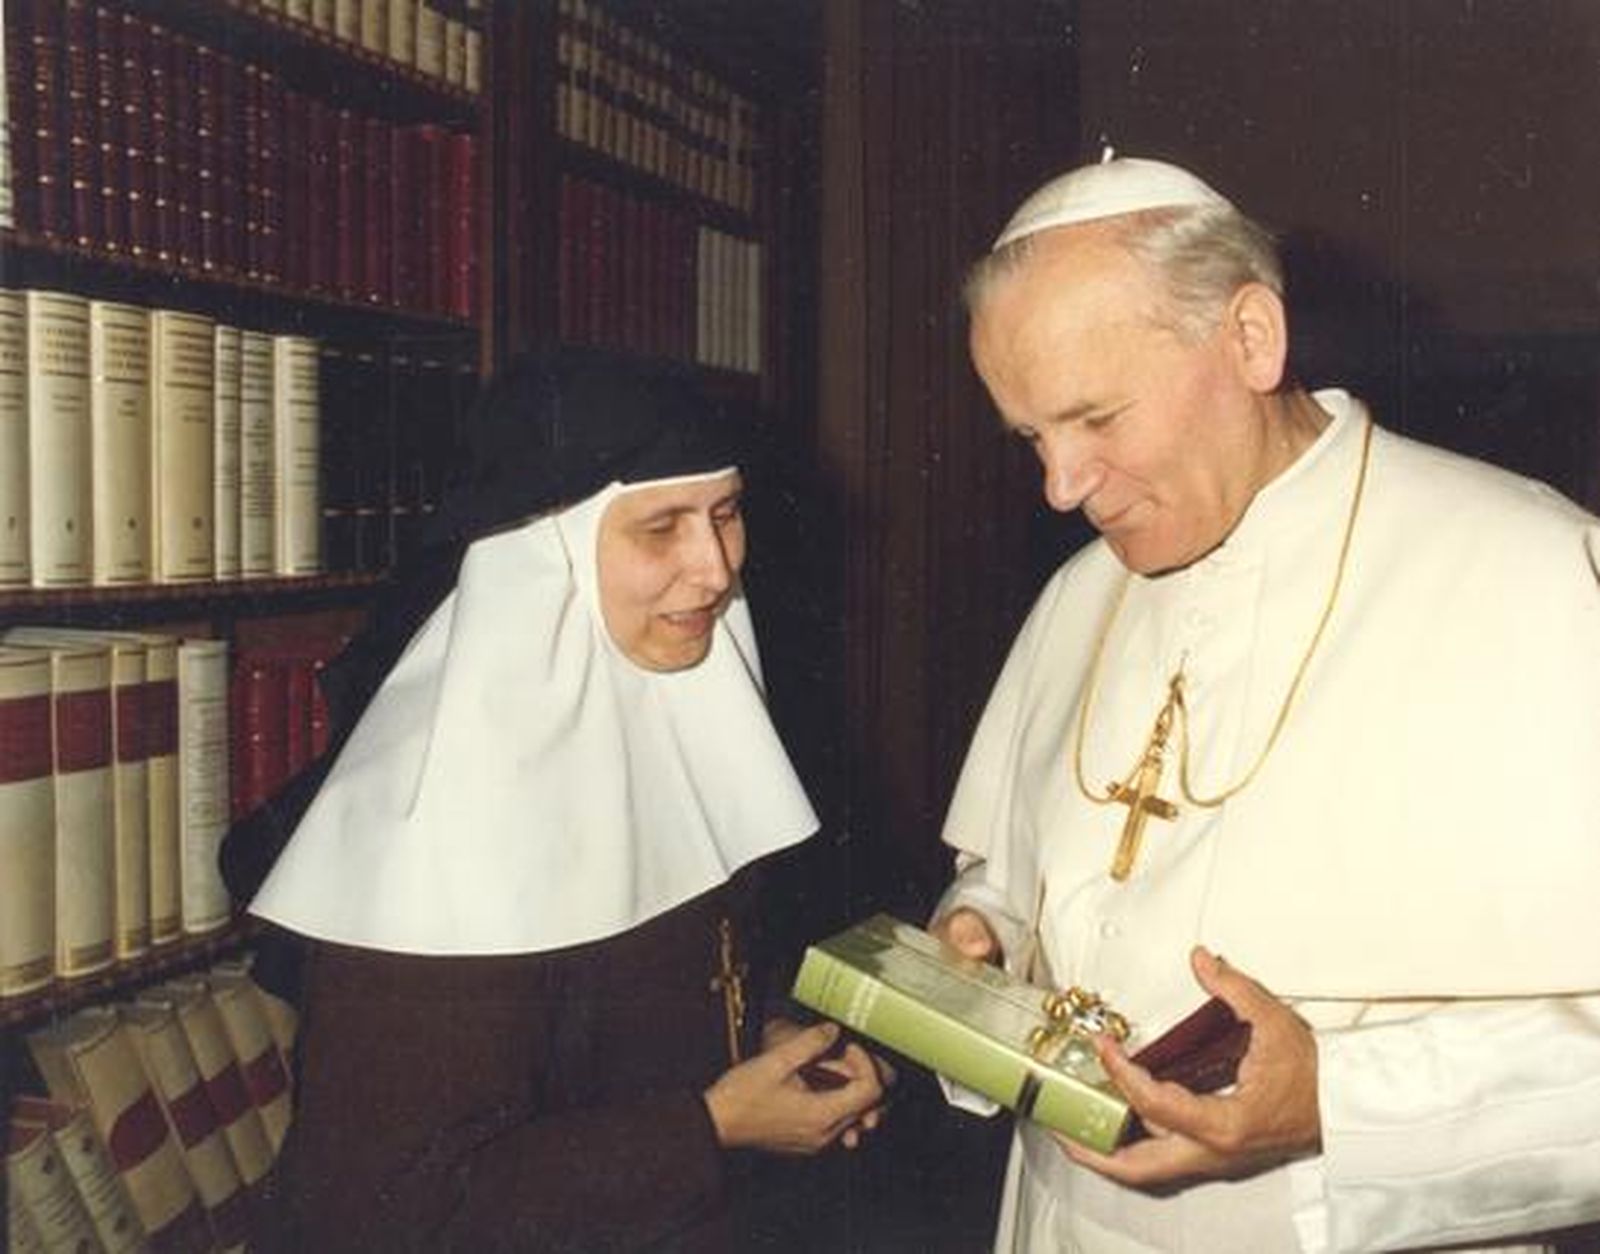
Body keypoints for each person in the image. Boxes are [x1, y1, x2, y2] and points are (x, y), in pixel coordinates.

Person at [930, 155, 1600, 1252]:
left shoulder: (1530, 570)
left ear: (1250, 338)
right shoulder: (1078, 594)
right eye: (1032, 438)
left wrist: (1336, 1099)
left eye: (1096, 418)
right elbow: (1019, 874)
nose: (1060, 486)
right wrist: (987, 938)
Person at [239, 355, 886, 1251]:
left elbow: (660, 986)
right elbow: (382, 1210)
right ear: (549, 551)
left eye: (726, 514)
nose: (715, 570)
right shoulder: (434, 823)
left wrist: (771, 1043)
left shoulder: (669, 699)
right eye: (662, 527)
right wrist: (709, 1129)